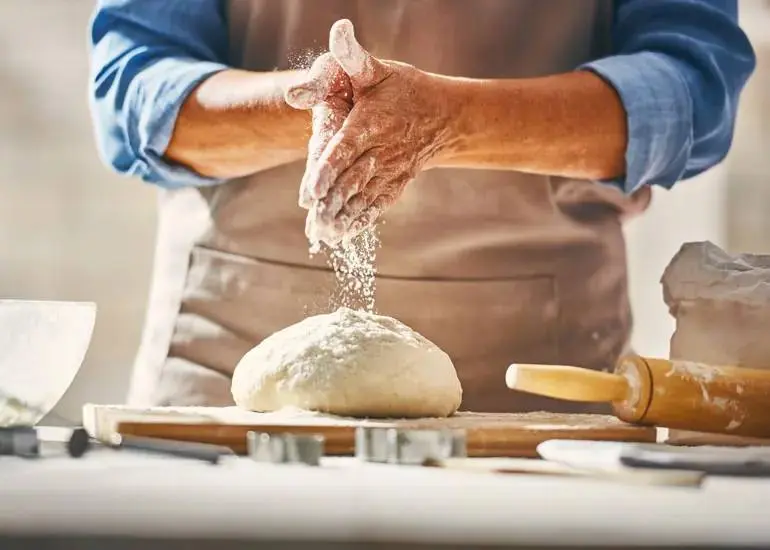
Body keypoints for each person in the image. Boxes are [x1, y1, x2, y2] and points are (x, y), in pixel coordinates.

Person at [88, 0, 755, 413]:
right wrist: (319, 101)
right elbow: (131, 85)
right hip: (229, 364)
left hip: (538, 387)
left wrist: (455, 119)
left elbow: (693, 88)